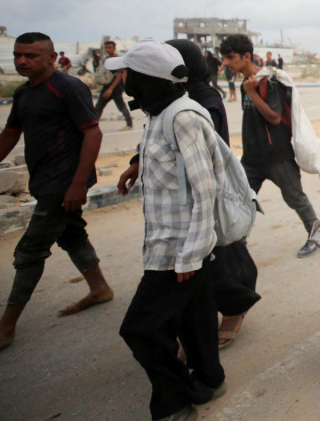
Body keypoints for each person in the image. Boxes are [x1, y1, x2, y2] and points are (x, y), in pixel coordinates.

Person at [109, 40, 226, 421]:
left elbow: (205, 188)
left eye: (129, 75)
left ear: (147, 79)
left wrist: (191, 253)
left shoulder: (183, 116)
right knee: (196, 320)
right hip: (171, 244)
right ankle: (208, 378)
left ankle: (175, 401)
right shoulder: (159, 113)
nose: (124, 83)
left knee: (140, 330)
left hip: (178, 249)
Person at [119, 39, 262, 350]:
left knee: (217, 259)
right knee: (210, 264)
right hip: (181, 196)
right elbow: (157, 134)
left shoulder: (201, 98)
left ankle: (234, 309)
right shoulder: (166, 96)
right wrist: (137, 161)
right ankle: (203, 344)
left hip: (200, 192)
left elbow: (205, 147)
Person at [0, 32, 113, 351]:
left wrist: (78, 183)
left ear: (52, 58)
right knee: (71, 234)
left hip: (63, 183)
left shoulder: (67, 88)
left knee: (29, 251)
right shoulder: (23, 94)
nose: (22, 61)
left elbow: (92, 133)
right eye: (18, 55)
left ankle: (6, 326)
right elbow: (10, 133)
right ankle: (99, 288)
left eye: (31, 56)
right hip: (45, 179)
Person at [220, 34, 319, 258]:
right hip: (252, 159)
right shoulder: (247, 82)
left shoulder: (268, 81)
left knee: (295, 198)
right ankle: (238, 243)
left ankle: (316, 236)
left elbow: (274, 118)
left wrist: (252, 93)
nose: (226, 63)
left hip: (277, 156)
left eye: (230, 57)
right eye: (224, 58)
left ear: (246, 56)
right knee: (242, 201)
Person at [94, 40, 133, 130]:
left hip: (116, 87)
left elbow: (119, 75)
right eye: (106, 47)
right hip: (108, 85)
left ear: (114, 48)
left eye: (109, 47)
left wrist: (110, 89)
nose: (107, 49)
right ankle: (94, 125)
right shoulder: (106, 60)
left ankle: (129, 124)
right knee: (99, 106)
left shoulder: (118, 60)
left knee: (119, 106)